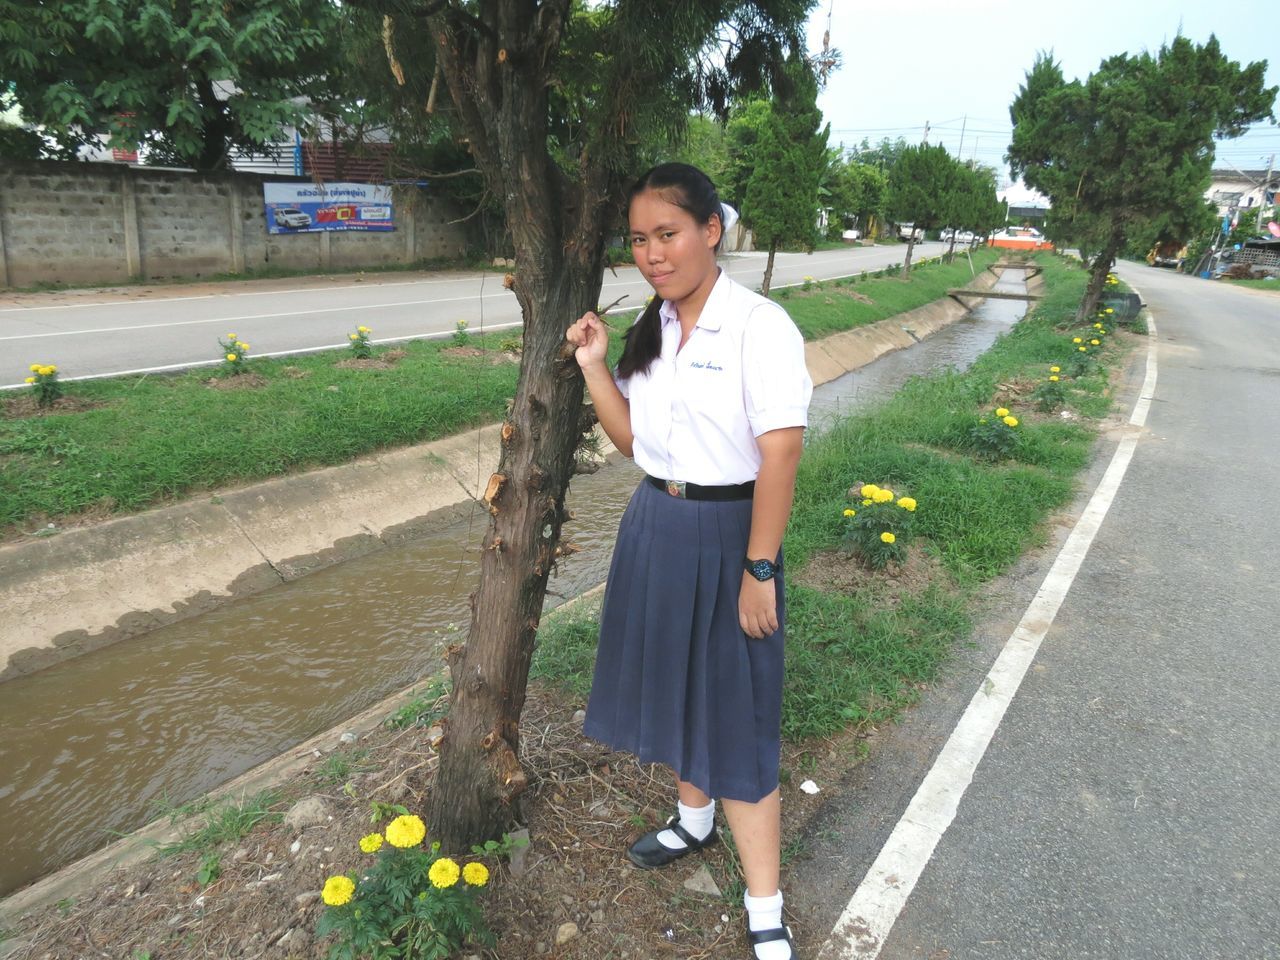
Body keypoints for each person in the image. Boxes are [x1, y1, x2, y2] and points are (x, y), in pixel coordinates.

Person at [565, 162, 812, 960]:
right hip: (655, 522)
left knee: (737, 713)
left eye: (667, 235)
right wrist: (597, 367)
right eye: (639, 240)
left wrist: (760, 567)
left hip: (729, 531)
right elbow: (637, 443)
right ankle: (693, 821)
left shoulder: (757, 325)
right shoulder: (660, 324)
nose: (652, 254)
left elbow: (780, 455)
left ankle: (765, 903)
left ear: (712, 231)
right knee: (674, 680)